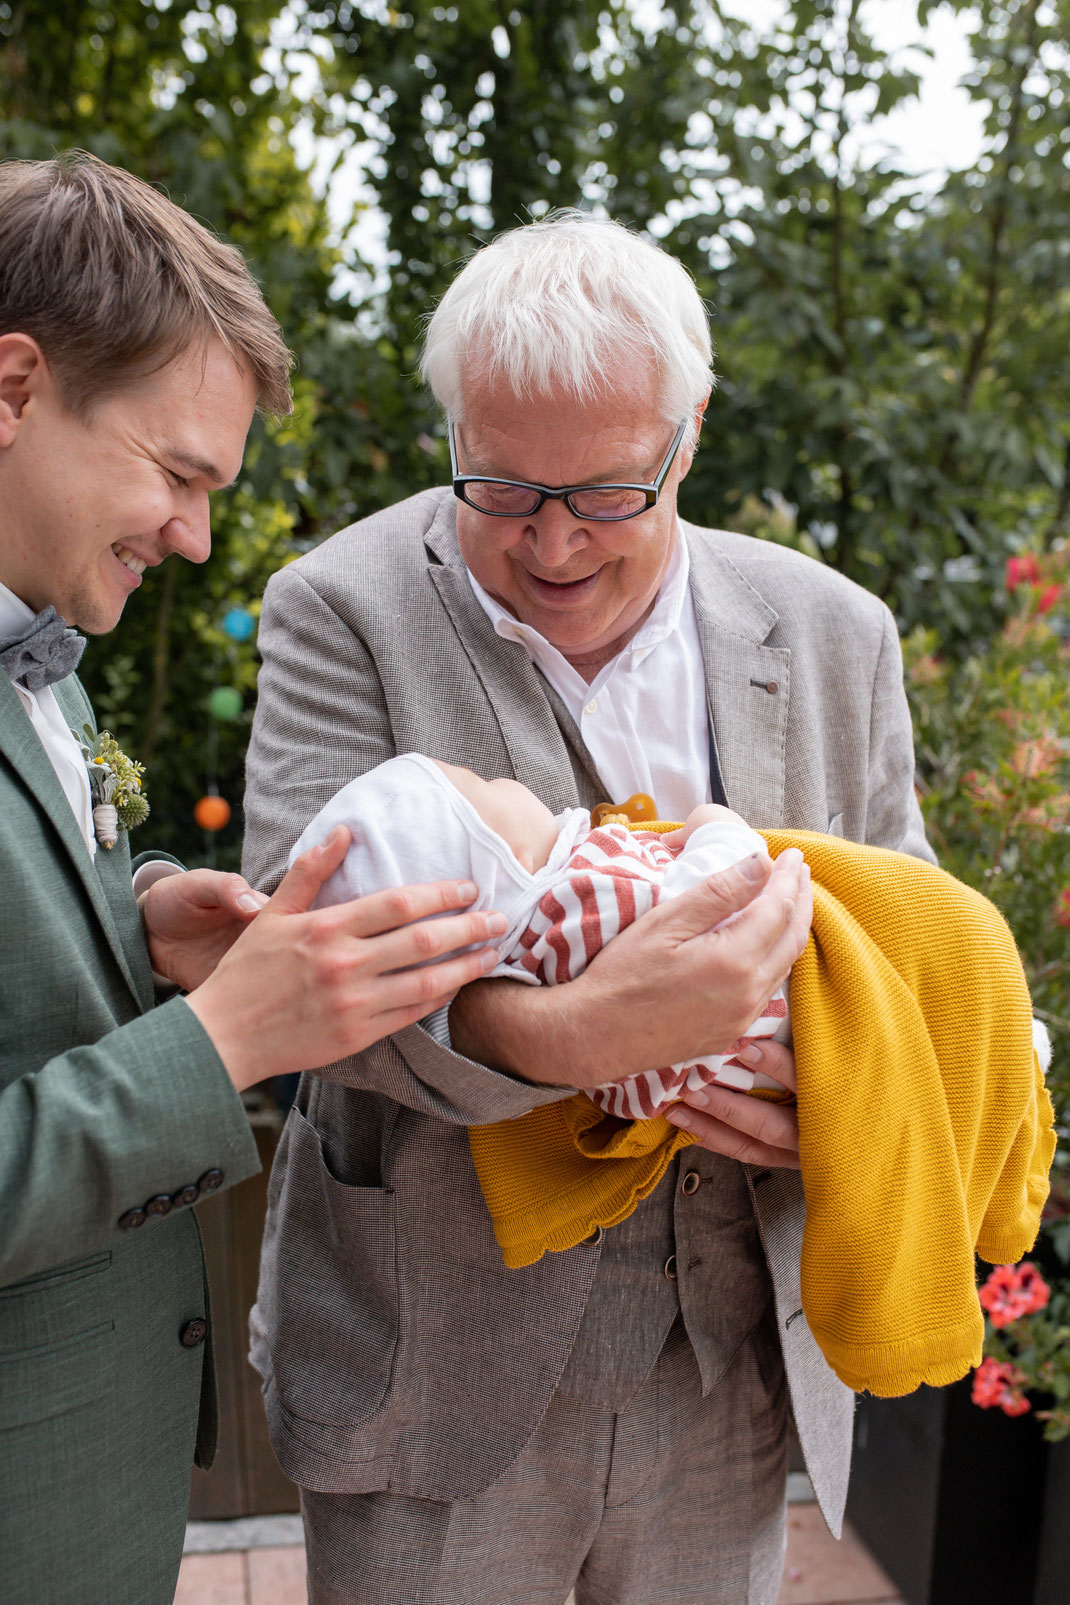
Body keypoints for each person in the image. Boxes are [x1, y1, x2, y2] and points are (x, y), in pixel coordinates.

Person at [243, 211, 930, 1604]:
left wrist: (834, 1085)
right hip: (435, 1346)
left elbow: (902, 943)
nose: (552, 544)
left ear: (688, 435)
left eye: (610, 493)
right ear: (451, 425)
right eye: (497, 487)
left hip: (728, 1350)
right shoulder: (341, 608)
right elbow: (291, 965)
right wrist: (573, 1033)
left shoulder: (829, 630)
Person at [0, 153, 506, 1605]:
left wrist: (144, 912)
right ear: (17, 387)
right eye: (176, 475)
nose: (195, 535)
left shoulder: (38, 629)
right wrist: (225, 1042)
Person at [292, 751, 792, 1118]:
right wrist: (717, 827)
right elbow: (721, 902)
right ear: (502, 861)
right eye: (480, 783)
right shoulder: (578, 898)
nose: (502, 778)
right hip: (786, 1016)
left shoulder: (531, 961)